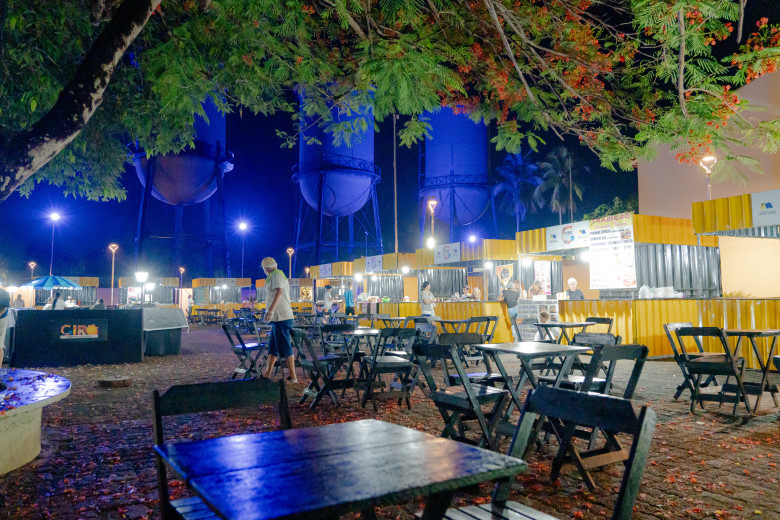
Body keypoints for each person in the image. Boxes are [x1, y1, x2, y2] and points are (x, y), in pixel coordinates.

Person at [260, 257, 297, 382]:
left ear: (265, 268)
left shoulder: (276, 275)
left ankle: (293, 376)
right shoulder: (276, 275)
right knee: (273, 347)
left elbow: (279, 291)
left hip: (281, 316)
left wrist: (270, 310)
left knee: (285, 346)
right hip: (278, 318)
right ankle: (267, 373)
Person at [0, 288, 9, 366]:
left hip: (2, 319)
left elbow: (5, 308)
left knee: (0, 346)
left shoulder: (3, 293)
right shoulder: (4, 293)